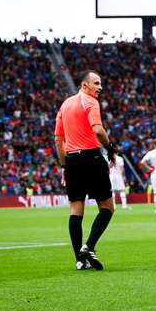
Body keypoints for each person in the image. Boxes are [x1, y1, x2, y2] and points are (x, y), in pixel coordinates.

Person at [54, 70, 116, 271]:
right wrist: (110, 147)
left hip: (71, 160)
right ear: (84, 85)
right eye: (96, 83)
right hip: (92, 157)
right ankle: (88, 246)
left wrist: (64, 166)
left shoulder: (65, 105)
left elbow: (58, 140)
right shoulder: (90, 102)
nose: (100, 87)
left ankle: (80, 261)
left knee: (75, 209)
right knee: (107, 207)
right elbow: (98, 130)